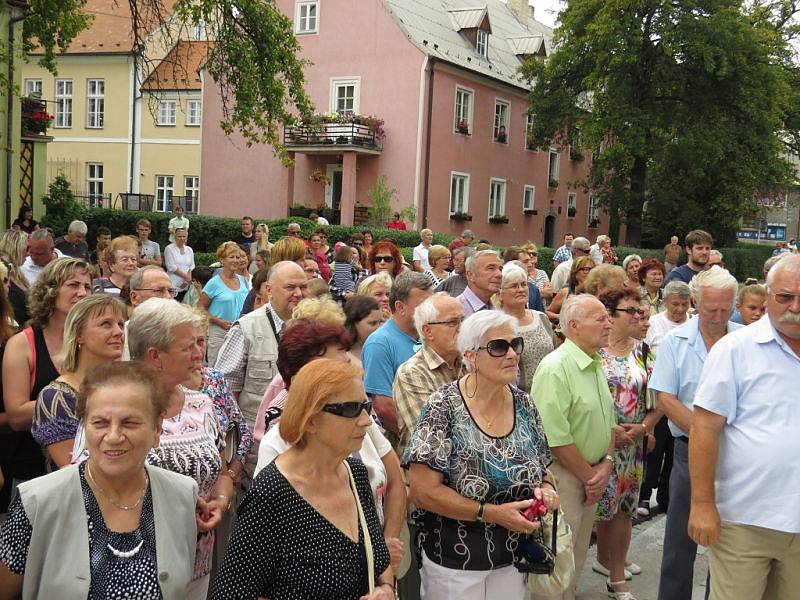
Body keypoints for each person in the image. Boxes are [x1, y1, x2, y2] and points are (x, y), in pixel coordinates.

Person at [0, 362, 198, 599]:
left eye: (130, 422)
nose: (113, 436)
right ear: (84, 429)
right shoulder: (36, 502)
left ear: (157, 430)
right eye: (100, 423)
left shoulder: (183, 495)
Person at [404, 310, 558, 599]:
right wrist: (493, 515)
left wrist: (547, 490)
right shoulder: (443, 406)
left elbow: (542, 468)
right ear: (471, 356)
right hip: (456, 562)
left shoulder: (524, 403)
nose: (512, 354)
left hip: (514, 556)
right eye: (499, 347)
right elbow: (422, 492)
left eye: (516, 344)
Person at [213, 360, 395, 599]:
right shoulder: (272, 493)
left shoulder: (355, 474)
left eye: (365, 406)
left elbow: (377, 565)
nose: (366, 420)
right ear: (310, 420)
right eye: (350, 409)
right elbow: (233, 592)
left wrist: (386, 589)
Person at [688, 255, 800, 600]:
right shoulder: (736, 349)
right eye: (785, 296)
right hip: (746, 519)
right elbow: (705, 428)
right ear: (767, 296)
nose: (795, 307)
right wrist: (702, 504)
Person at [648, 267, 741, 600]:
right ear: (695, 304)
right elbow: (665, 398)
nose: (718, 316)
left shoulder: (745, 339)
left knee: (733, 542)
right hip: (689, 451)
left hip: (737, 454)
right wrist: (705, 435)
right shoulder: (676, 341)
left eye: (725, 308)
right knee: (679, 541)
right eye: (711, 309)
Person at [531, 294, 616, 600]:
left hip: (589, 476)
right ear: (575, 326)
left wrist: (606, 463)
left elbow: (609, 422)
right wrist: (590, 477)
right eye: (601, 318)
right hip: (565, 479)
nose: (609, 324)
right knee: (556, 567)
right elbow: (553, 436)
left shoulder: (594, 363)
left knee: (577, 560)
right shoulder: (556, 367)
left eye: (608, 317)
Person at [3, 258, 92, 498]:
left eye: (87, 286)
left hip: (85, 465)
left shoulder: (93, 341)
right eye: (73, 285)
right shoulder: (23, 344)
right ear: (50, 291)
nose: (82, 292)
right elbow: (16, 415)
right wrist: (71, 399)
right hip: (30, 468)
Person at [593, 289, 661, 599]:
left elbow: (659, 399)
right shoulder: (591, 350)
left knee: (622, 512)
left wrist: (645, 427)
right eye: (630, 310)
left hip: (630, 447)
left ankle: (616, 577)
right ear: (610, 315)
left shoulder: (644, 351)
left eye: (640, 310)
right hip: (594, 444)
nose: (638, 316)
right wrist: (610, 430)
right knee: (590, 512)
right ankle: (587, 565)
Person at [215, 261, 309, 472]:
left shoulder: (316, 327)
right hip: (256, 453)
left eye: (303, 287)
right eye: (290, 287)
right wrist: (235, 457)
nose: (298, 293)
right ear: (269, 290)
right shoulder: (245, 328)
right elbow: (225, 398)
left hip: (306, 449)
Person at [31, 295, 125, 470]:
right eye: (106, 324)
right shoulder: (56, 398)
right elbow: (73, 468)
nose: (119, 332)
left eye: (121, 324)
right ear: (79, 335)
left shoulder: (129, 386)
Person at [637, 281, 692, 518]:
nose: (680, 309)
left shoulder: (694, 324)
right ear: (665, 303)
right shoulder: (655, 324)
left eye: (684, 304)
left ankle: (667, 498)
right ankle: (644, 496)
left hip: (684, 398)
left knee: (674, 450)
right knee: (654, 448)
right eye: (675, 304)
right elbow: (644, 355)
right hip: (658, 396)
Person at [363, 272, 432, 446]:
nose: (431, 311)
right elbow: (383, 406)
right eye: (424, 306)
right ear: (400, 307)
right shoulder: (379, 343)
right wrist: (421, 443)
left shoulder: (428, 334)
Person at [394, 293, 465, 454]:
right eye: (453, 322)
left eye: (464, 320)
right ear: (428, 331)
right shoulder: (412, 373)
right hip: (432, 473)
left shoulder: (471, 362)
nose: (462, 328)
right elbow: (434, 440)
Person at [498, 263, 555, 391]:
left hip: (550, 391)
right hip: (519, 399)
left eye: (524, 284)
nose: (521, 289)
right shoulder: (498, 326)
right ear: (500, 294)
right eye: (513, 286)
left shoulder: (541, 318)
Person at [199, 242, 250, 366]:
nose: (235, 260)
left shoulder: (243, 281)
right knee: (216, 369)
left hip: (240, 332)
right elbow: (200, 309)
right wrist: (219, 321)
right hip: (219, 333)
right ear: (222, 260)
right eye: (231, 257)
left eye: (238, 257)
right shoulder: (214, 283)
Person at [546, 256, 596, 322]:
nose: (590, 273)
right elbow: (548, 313)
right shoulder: (566, 292)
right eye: (586, 269)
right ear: (575, 272)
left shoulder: (597, 292)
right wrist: (561, 317)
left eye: (592, 270)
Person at [458, 249, 503, 315]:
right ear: (470, 275)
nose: (499, 274)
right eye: (491, 268)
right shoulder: (456, 310)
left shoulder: (497, 309)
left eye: (500, 269)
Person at [0, 229, 31, 325]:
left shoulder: (17, 273)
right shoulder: (3, 272)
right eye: (26, 249)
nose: (28, 253)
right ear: (16, 248)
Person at [344, 295, 384, 363]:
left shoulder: (383, 349)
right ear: (353, 323)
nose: (379, 328)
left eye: (380, 322)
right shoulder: (343, 357)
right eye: (373, 323)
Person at [164, 228, 194, 302]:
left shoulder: (189, 249)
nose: (182, 238)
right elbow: (171, 267)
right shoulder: (169, 248)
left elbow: (192, 266)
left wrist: (187, 280)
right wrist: (186, 277)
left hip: (186, 284)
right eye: (179, 236)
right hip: (173, 283)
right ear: (175, 237)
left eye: (184, 236)